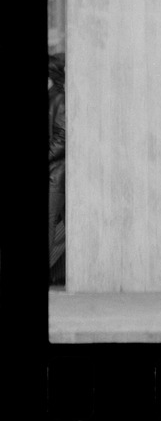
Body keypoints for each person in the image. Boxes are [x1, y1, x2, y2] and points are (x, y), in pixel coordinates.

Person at [49, 54, 66, 285]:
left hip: (56, 174)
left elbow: (62, 137)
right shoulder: (55, 96)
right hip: (55, 172)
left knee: (51, 223)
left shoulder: (59, 99)